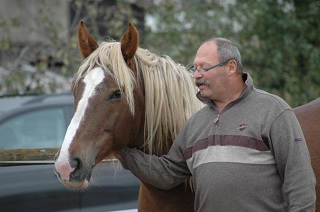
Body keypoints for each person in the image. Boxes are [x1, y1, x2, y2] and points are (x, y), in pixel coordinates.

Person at [118, 37, 316, 211]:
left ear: (231, 67)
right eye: (194, 68)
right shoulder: (196, 123)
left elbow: (300, 180)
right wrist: (122, 152)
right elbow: (167, 173)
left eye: (204, 67)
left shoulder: (273, 110)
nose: (196, 75)